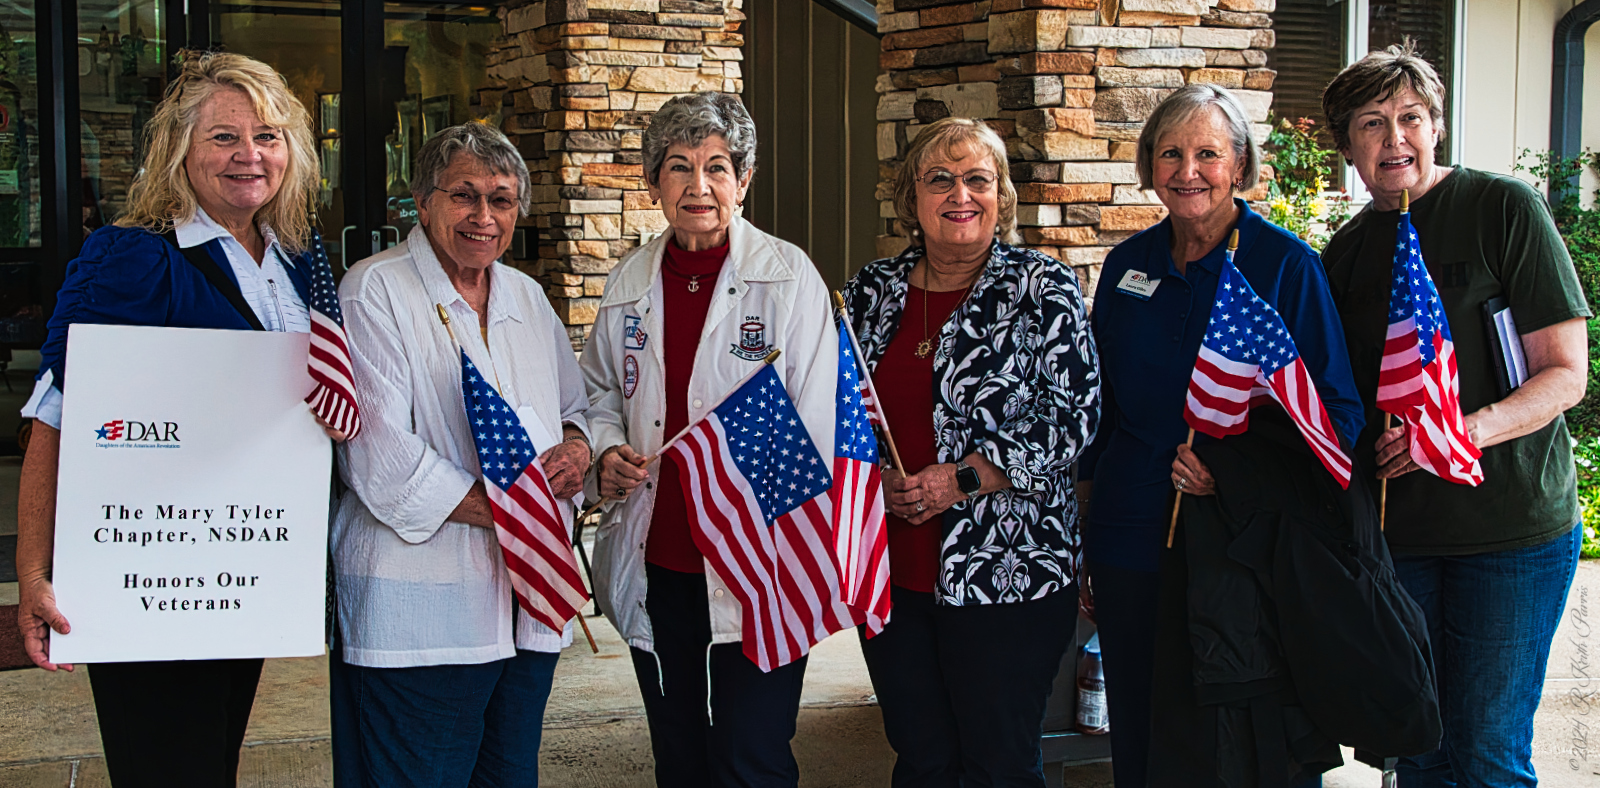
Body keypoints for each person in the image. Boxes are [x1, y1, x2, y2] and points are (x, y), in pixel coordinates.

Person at [14, 51, 343, 787]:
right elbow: (55, 414)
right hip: (149, 572)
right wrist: (33, 572)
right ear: (180, 152)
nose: (248, 156)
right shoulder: (134, 257)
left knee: (212, 757)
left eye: (267, 135)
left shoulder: (294, 261)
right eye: (223, 137)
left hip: (244, 567)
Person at [1078, 84, 1364, 788]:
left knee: (1244, 748)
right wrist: (1085, 531)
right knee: (1143, 742)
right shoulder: (1128, 266)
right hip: (1131, 540)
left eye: (1207, 152)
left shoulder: (1284, 266)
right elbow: (1100, 413)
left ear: (1239, 165)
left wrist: (1230, 470)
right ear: (1149, 166)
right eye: (1170, 153)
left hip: (1242, 550)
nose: (1187, 170)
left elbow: (1336, 416)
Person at [1319, 44, 1589, 787]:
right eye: (1372, 123)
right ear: (1347, 146)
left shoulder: (1502, 209)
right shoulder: (1343, 255)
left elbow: (1566, 376)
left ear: (1436, 127)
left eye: (1411, 118)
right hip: (1400, 541)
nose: (1394, 139)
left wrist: (1461, 432)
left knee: (1487, 755)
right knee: (1420, 752)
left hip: (1511, 530)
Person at [581, 91, 839, 788]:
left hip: (759, 567)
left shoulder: (789, 280)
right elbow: (599, 391)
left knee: (751, 757)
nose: (699, 186)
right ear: (653, 183)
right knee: (680, 753)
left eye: (718, 167)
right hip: (659, 562)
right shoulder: (628, 282)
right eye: (678, 167)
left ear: (744, 180)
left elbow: (816, 429)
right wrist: (606, 448)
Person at [329, 122, 592, 787]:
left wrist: (578, 448)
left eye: (501, 200)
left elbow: (574, 407)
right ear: (423, 201)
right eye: (464, 195)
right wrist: (515, 516)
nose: (484, 216)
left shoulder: (528, 299)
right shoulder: (375, 289)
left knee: (509, 778)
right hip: (423, 614)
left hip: (527, 603)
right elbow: (379, 459)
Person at [841, 116, 1101, 787]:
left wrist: (963, 478)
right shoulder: (872, 291)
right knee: (922, 758)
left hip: (1010, 572)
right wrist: (874, 476)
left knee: (999, 763)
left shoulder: (1042, 287)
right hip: (894, 574)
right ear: (913, 199)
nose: (961, 194)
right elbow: (840, 410)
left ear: (1000, 195)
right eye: (940, 179)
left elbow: (1074, 416)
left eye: (977, 179)